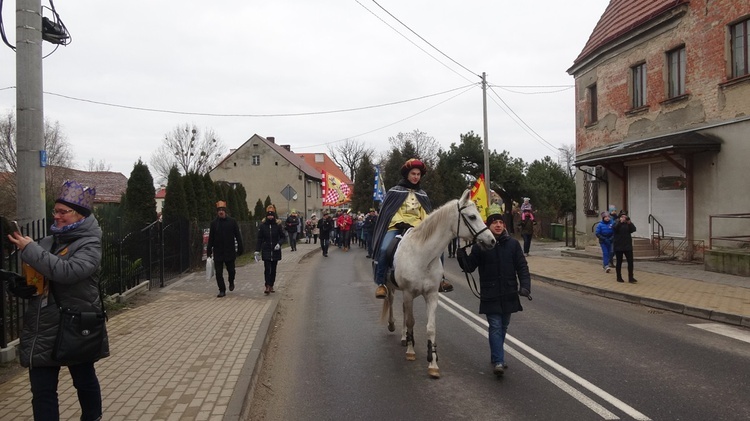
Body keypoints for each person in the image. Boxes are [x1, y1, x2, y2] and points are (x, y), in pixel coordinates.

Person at [7, 180, 109, 421]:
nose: (57, 217)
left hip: (75, 325)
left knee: (84, 381)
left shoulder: (90, 244)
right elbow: (42, 277)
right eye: (56, 211)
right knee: (42, 391)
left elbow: (68, 272)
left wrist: (30, 249)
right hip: (43, 326)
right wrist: (23, 287)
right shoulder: (48, 242)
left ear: (80, 215)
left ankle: (92, 417)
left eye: (64, 212)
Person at [456, 204, 530, 377]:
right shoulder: (480, 245)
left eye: (500, 222)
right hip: (490, 293)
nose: (498, 225)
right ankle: (499, 361)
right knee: (495, 326)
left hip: (509, 292)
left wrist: (525, 286)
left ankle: (496, 354)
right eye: (494, 222)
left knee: (503, 326)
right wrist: (461, 257)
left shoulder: (513, 244)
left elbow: (522, 267)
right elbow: (469, 267)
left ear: (504, 225)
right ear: (488, 225)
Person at [371, 158, 453, 298]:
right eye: (413, 174)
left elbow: (426, 215)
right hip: (397, 227)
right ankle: (381, 284)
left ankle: (441, 279)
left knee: (438, 249)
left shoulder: (422, 195)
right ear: (407, 174)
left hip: (417, 230)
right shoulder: (394, 192)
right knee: (385, 249)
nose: (415, 177)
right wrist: (401, 222)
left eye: (418, 174)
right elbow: (390, 213)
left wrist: (425, 226)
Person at [207, 201, 244, 297]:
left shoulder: (232, 221)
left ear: (225, 211)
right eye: (219, 210)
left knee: (231, 270)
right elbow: (211, 238)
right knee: (218, 272)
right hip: (218, 251)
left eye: (222, 210)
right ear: (217, 212)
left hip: (229, 251)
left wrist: (240, 247)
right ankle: (222, 290)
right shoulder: (214, 223)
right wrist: (209, 250)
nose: (221, 212)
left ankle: (231, 281)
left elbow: (237, 235)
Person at [256, 209, 285, 294]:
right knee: (267, 268)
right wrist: (257, 250)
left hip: (275, 250)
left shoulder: (278, 226)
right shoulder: (263, 226)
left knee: (273, 269)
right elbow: (259, 238)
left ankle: (271, 284)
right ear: (266, 216)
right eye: (269, 215)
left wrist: (279, 244)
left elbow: (283, 237)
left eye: (272, 215)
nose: (270, 217)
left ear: (274, 216)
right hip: (266, 249)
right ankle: (267, 285)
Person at [613, 211, 637, 283]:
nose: (624, 218)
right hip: (619, 246)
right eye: (622, 217)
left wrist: (629, 222)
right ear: (619, 218)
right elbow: (615, 229)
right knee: (619, 262)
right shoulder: (616, 223)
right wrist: (620, 222)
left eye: (625, 217)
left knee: (630, 262)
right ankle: (619, 277)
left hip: (627, 246)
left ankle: (631, 277)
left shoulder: (628, 224)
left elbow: (633, 229)